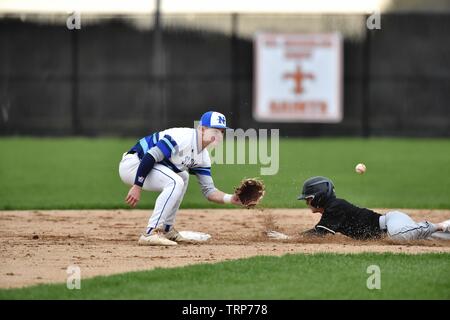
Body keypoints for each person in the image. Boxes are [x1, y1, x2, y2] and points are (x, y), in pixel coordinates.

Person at [119, 111, 242, 246]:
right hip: (134, 164)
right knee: (174, 181)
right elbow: (150, 156)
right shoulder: (182, 138)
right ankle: (150, 232)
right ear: (202, 129)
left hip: (149, 166)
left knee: (183, 177)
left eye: (221, 131)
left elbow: (209, 192)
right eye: (214, 130)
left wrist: (232, 199)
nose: (218, 135)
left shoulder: (204, 157)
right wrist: (137, 186)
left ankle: (167, 229)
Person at [297, 176, 450, 241]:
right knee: (427, 238)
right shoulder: (333, 208)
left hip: (390, 223)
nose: (307, 202)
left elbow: (320, 233)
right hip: (390, 227)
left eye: (309, 198)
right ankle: (446, 227)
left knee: (398, 237)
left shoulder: (335, 207)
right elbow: (321, 230)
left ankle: (439, 225)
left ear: (320, 196)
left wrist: (291, 239)